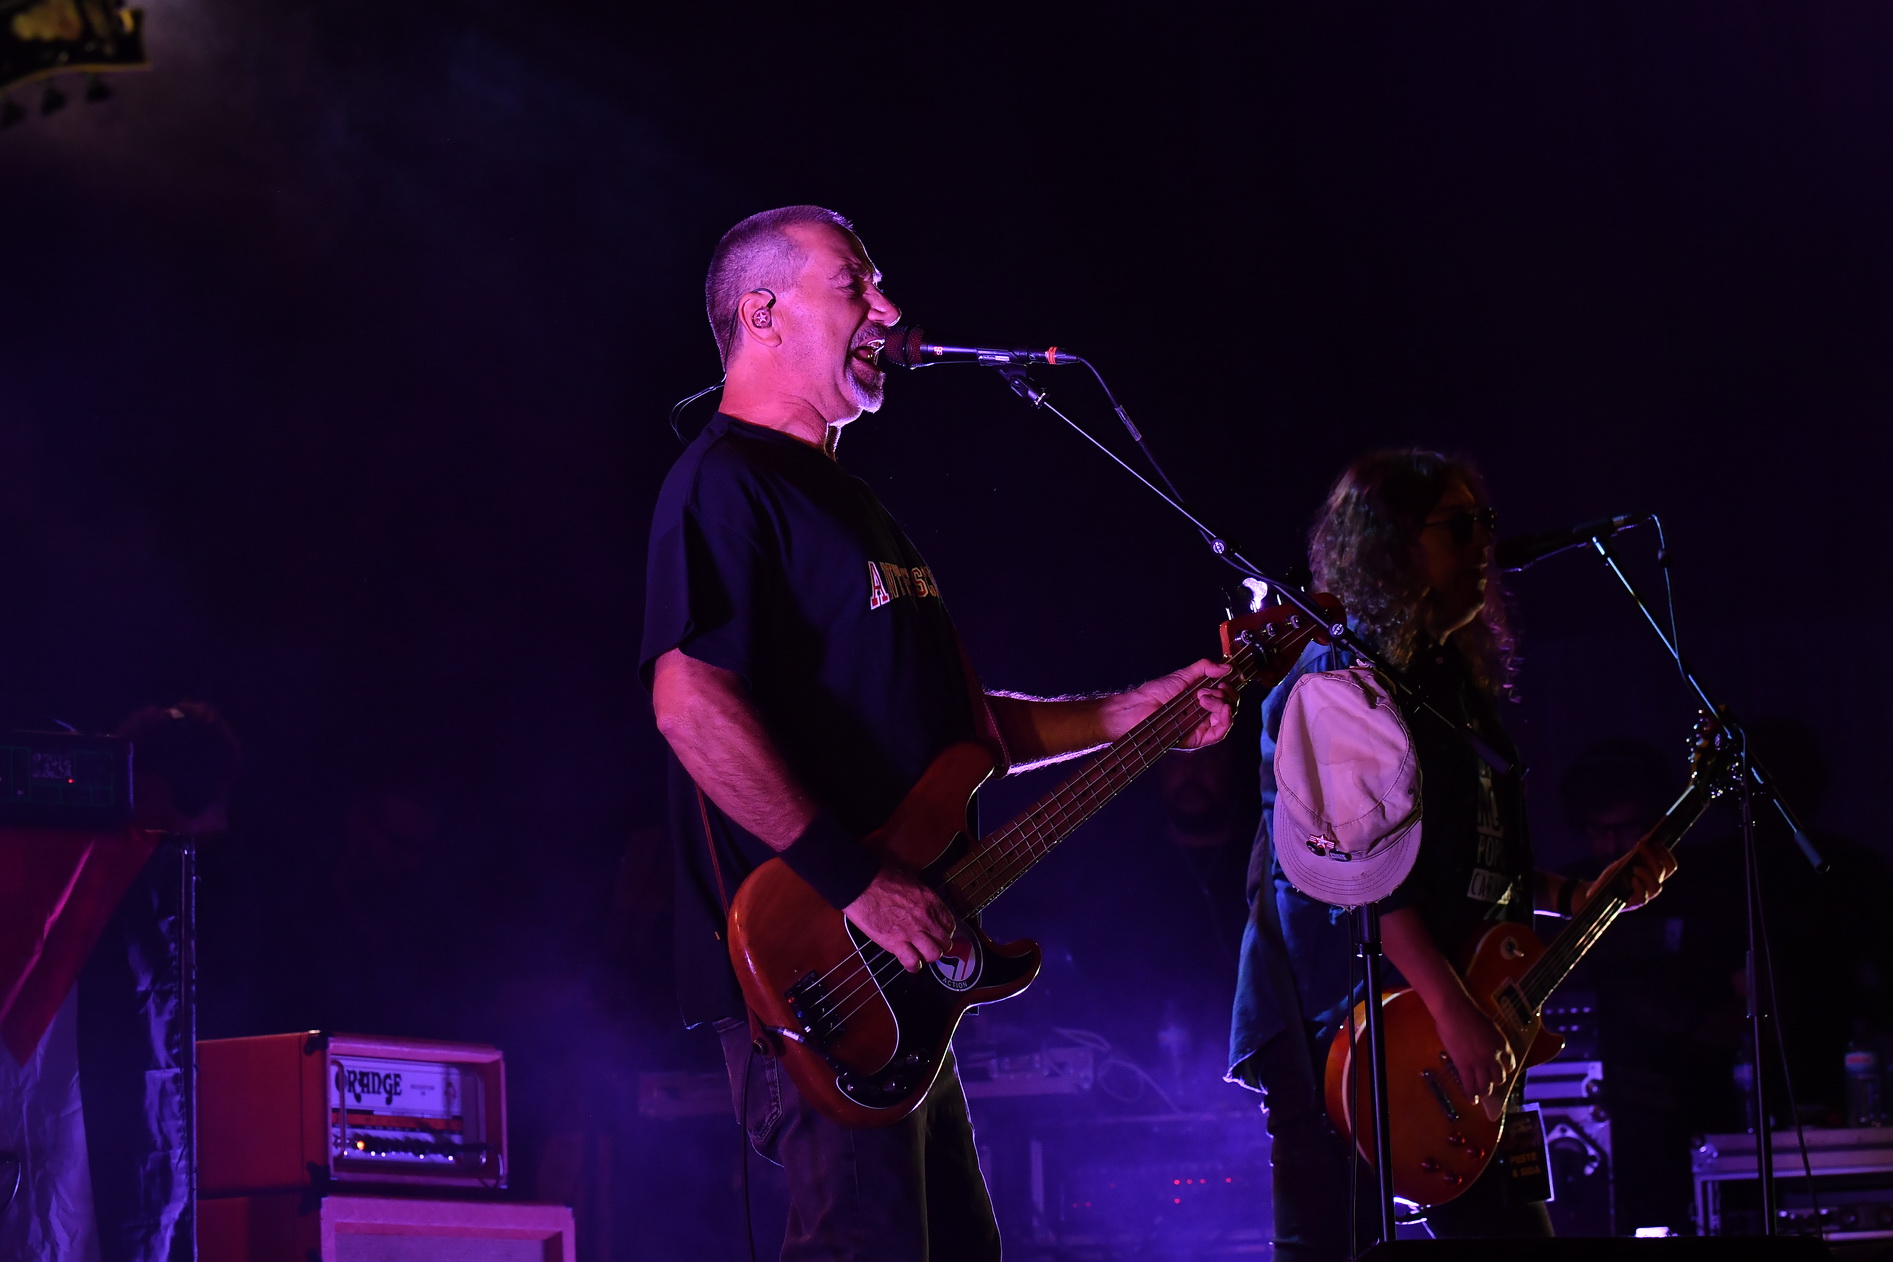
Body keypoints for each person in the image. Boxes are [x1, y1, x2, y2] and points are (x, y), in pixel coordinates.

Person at [640, 205, 1237, 1261]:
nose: (889, 309)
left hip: (894, 967)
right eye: (856, 283)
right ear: (763, 313)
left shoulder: (859, 509)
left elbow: (965, 733)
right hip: (814, 963)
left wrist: (1139, 715)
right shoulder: (725, 481)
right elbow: (690, 703)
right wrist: (855, 882)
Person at [1225, 449, 1673, 1258]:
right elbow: (1366, 881)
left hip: (1439, 1012)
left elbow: (1453, 862)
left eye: (1485, 523)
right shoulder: (1337, 679)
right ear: (1390, 545)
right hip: (1342, 1023)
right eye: (1459, 527)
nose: (1483, 547)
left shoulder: (1443, 681)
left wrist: (1575, 898)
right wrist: (1451, 1007)